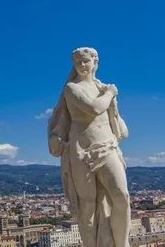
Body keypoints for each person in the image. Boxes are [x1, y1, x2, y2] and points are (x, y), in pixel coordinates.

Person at [47, 47, 130, 247]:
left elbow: (122, 129)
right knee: (88, 204)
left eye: (86, 61)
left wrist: (111, 99)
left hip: (107, 145)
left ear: (95, 63)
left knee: (122, 197)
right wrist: (111, 93)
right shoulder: (72, 88)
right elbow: (94, 109)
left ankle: (122, 243)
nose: (83, 65)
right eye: (78, 62)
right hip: (81, 150)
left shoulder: (100, 88)